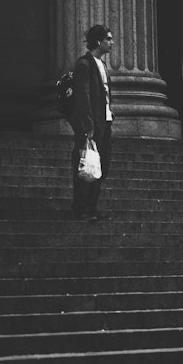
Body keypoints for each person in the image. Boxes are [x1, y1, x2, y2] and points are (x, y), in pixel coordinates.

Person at [70, 24, 114, 221]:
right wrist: (87, 127)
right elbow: (83, 97)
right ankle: (81, 209)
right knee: (85, 167)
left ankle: (91, 208)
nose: (112, 43)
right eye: (109, 39)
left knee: (100, 166)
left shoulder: (102, 65)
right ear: (99, 41)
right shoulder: (84, 64)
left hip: (104, 123)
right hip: (91, 126)